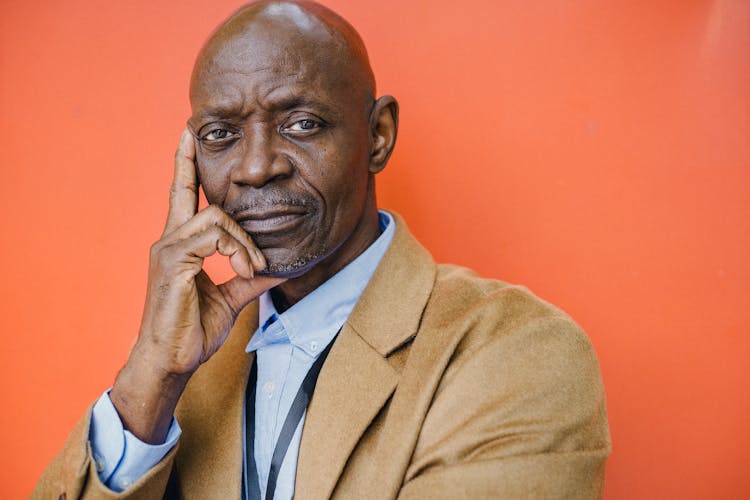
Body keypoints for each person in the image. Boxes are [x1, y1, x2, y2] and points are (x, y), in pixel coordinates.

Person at [33, 1, 611, 498]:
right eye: (220, 135)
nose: (256, 167)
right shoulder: (178, 379)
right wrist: (150, 377)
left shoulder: (513, 353)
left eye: (302, 123)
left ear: (378, 135)